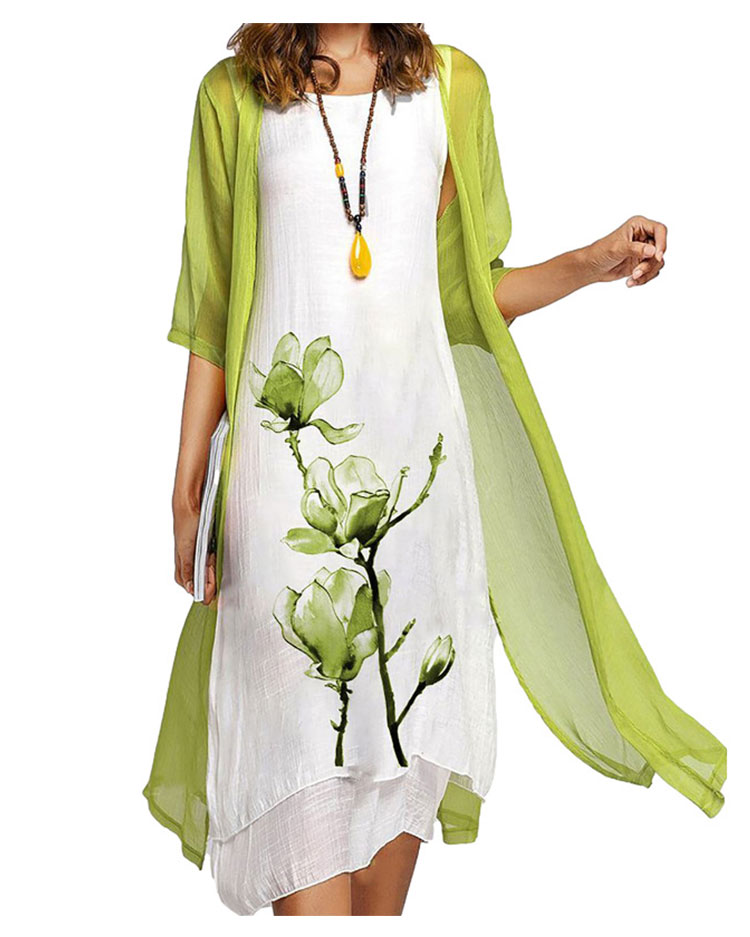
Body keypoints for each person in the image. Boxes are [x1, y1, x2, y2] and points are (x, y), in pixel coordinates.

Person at [145, 22, 726, 917]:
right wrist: (188, 490)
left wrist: (591, 262)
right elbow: (215, 306)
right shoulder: (233, 95)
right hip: (284, 504)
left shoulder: (451, 87)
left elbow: (466, 294)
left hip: (418, 502)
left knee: (381, 876)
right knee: (298, 784)